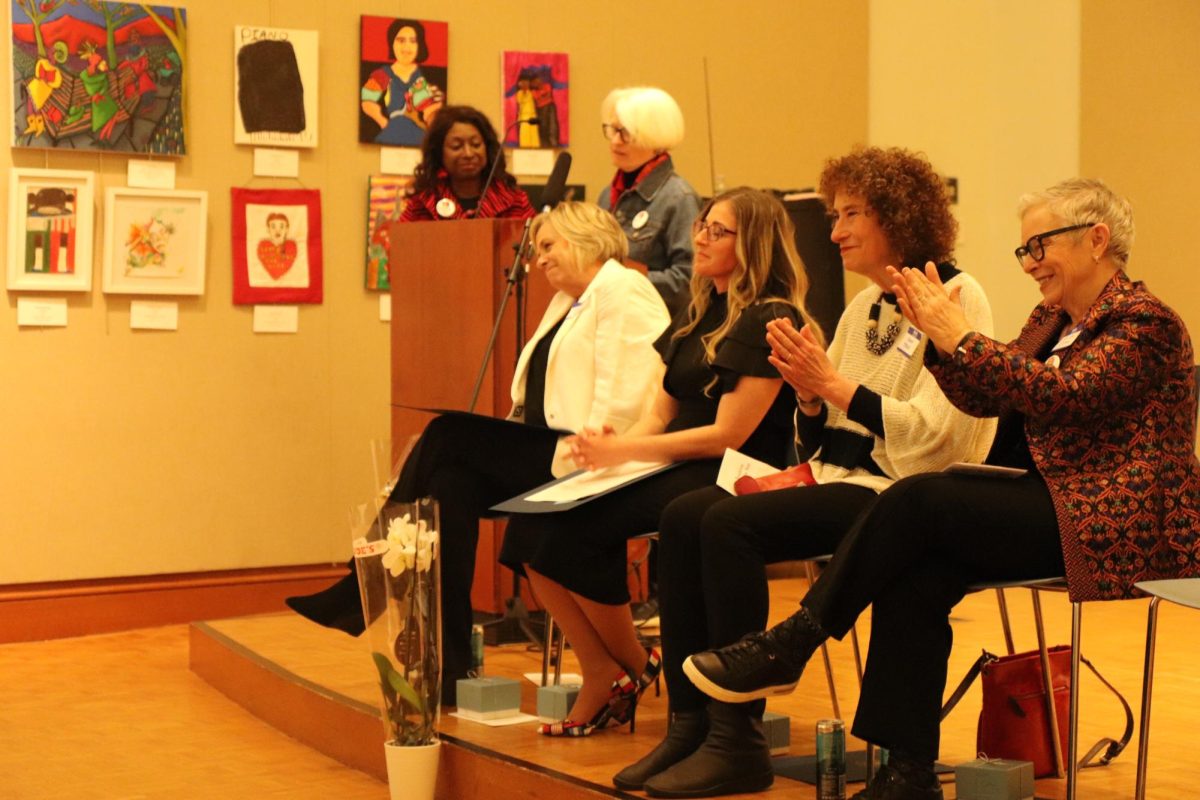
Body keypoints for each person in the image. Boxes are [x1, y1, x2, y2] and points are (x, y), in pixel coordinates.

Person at [684, 178, 1200, 800]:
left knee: (920, 497)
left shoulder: (1144, 323)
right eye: (1024, 250)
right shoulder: (1052, 320)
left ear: (1097, 240)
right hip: (1047, 502)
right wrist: (934, 338)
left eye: (1039, 245)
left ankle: (795, 639)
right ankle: (907, 773)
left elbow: (1063, 398)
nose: (1030, 263)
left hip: (1110, 519)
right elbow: (986, 395)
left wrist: (959, 335)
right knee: (917, 570)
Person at [614, 147, 996, 797]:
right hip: (841, 477)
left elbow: (941, 438)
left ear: (898, 219)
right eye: (834, 215)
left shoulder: (957, 296)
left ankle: (738, 740)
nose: (836, 231)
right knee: (684, 515)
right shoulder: (862, 308)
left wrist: (836, 390)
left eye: (851, 215)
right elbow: (821, 440)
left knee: (730, 524)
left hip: (900, 494)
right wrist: (814, 400)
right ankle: (690, 724)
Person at [287, 202, 669, 705]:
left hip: (591, 454)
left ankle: (365, 583)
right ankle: (450, 666)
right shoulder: (569, 301)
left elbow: (625, 396)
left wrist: (592, 456)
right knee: (451, 486)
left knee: (447, 433)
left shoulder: (625, 290)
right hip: (553, 448)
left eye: (548, 246)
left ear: (583, 238)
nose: (538, 260)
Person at [498, 188, 824, 737]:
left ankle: (637, 675)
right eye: (701, 225)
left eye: (717, 230)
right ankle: (602, 667)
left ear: (754, 244)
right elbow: (660, 414)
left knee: (582, 525)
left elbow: (728, 435)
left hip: (735, 472)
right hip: (677, 463)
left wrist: (624, 451)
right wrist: (609, 445)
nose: (700, 237)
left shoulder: (773, 316)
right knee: (531, 522)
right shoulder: (700, 311)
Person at [598, 87, 701, 317]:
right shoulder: (607, 195)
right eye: (612, 130)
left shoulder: (679, 198)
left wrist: (629, 279)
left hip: (654, 330)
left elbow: (690, 282)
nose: (615, 141)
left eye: (624, 132)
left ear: (654, 136)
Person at [398, 105, 534, 222]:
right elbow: (400, 247)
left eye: (476, 144)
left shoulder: (514, 200)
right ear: (439, 152)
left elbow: (535, 246)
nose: (468, 154)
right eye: (456, 146)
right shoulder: (423, 202)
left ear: (487, 147)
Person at [360, 18, 444, 147]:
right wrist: (384, 123)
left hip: (420, 137)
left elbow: (432, 112)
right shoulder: (383, 74)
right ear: (392, 43)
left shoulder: (428, 76)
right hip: (391, 134)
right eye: (401, 40)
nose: (406, 47)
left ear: (420, 45)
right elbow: (367, 103)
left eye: (413, 41)